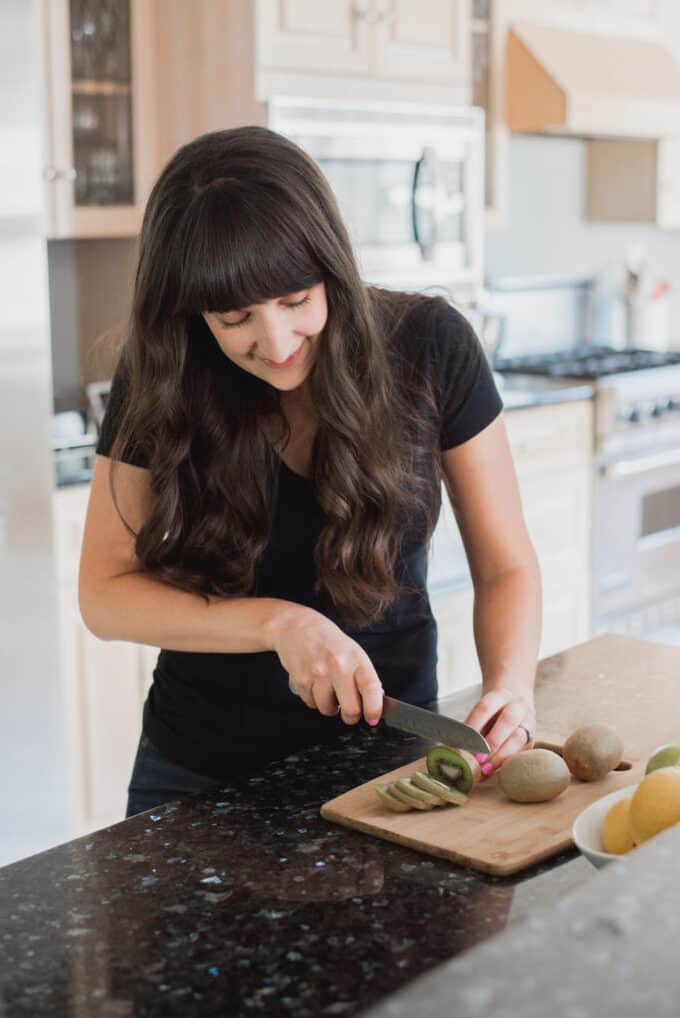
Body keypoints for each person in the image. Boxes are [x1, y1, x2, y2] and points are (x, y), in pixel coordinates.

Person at [78, 126, 542, 818]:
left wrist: (512, 684)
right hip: (199, 773)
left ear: (331, 267)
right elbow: (105, 595)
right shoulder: (166, 374)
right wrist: (277, 624)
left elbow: (507, 567)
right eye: (234, 317)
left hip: (390, 765)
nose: (276, 342)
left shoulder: (430, 345)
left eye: (296, 300)